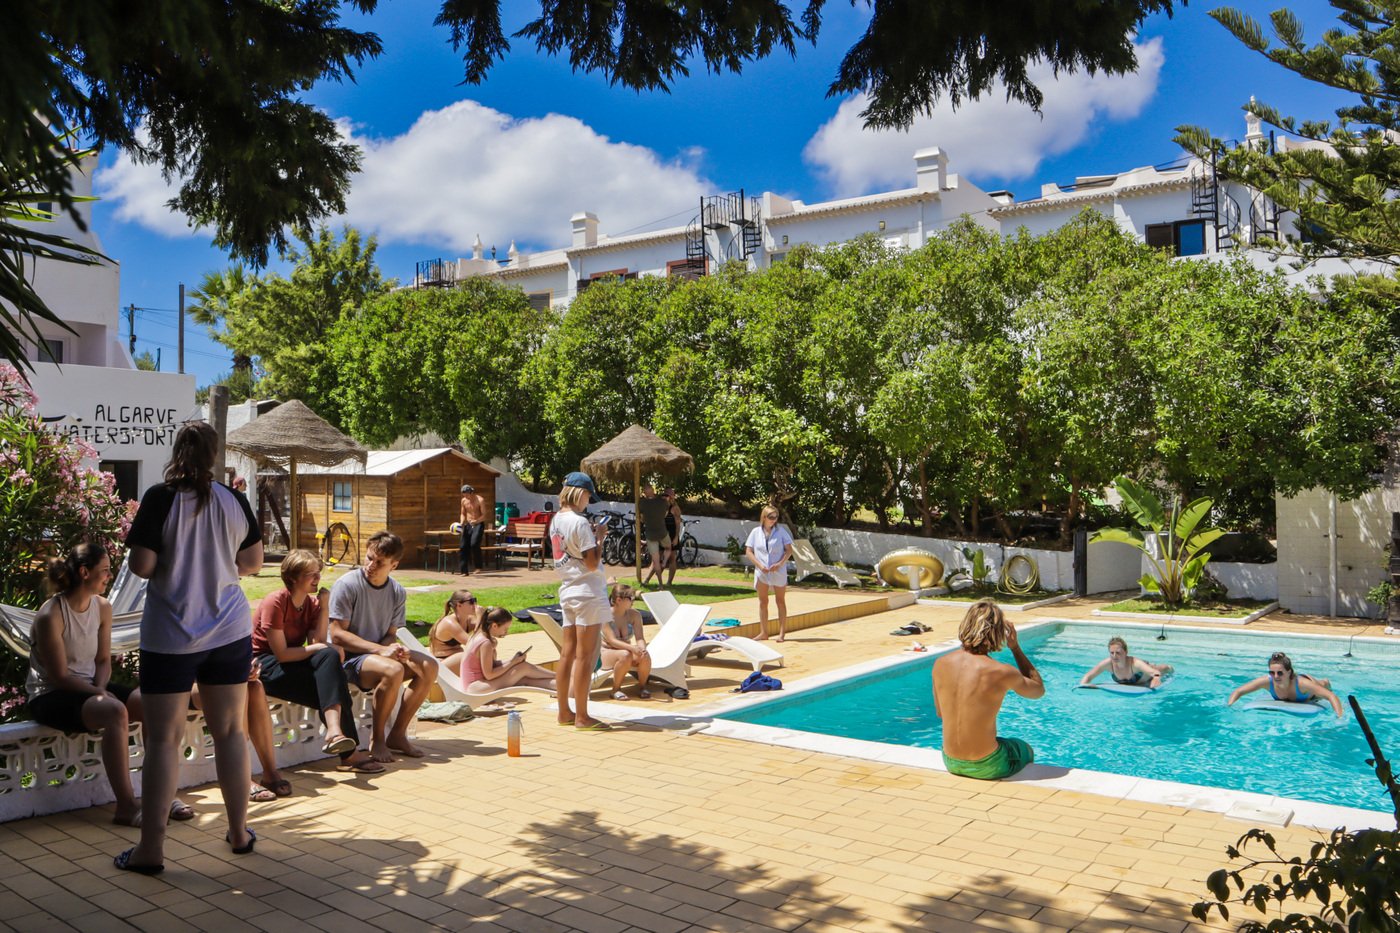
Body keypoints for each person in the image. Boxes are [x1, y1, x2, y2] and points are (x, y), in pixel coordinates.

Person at [118, 421, 263, 873]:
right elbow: (252, 563)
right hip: (228, 630)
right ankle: (238, 833)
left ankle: (151, 851)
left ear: (177, 451)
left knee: (163, 740)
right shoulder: (234, 499)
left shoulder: (160, 498)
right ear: (214, 456)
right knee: (231, 733)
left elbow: (142, 566)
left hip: (171, 634)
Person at [25, 544, 191, 827]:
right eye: (104, 570)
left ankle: (162, 795)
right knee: (115, 712)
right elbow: (59, 676)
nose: (109, 576)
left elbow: (103, 660)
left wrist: (100, 688)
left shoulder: (102, 607)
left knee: (151, 704)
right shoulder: (50, 615)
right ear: (84, 572)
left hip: (90, 687)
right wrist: (99, 693)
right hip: (52, 695)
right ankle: (126, 806)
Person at [254, 550, 385, 775]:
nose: (318, 578)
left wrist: (324, 607)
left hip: (290, 663)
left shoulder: (311, 604)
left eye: (318, 572)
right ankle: (348, 753)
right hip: (265, 666)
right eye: (311, 574)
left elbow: (318, 642)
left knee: (330, 665)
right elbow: (282, 654)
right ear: (293, 577)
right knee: (333, 685)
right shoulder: (275, 602)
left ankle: (336, 733)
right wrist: (321, 648)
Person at [329, 531, 437, 761]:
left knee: (429, 666)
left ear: (393, 565)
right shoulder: (347, 584)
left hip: (376, 656)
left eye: (379, 562)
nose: (371, 565)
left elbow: (389, 635)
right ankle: (377, 739)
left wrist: (394, 649)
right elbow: (337, 634)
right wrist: (381, 650)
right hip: (347, 659)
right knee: (393, 670)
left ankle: (397, 734)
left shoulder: (397, 591)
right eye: (369, 558)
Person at [932, 599, 1044, 780]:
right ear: (998, 632)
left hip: (950, 760)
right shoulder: (1001, 671)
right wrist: (1015, 648)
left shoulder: (940, 663)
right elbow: (1038, 691)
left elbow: (940, 713)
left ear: (966, 625)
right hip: (988, 765)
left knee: (999, 742)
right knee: (1024, 748)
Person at [550, 472, 612, 730]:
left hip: (568, 589)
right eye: (588, 496)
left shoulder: (555, 520)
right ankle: (582, 716)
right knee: (586, 657)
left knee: (567, 654)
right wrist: (600, 537)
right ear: (580, 493)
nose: (588, 501)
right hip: (588, 592)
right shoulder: (580, 522)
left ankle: (564, 711)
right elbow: (592, 563)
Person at [460, 606, 556, 692]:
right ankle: (558, 676)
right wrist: (513, 662)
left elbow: (491, 665)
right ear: (494, 626)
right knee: (523, 668)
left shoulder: (478, 635)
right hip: (476, 688)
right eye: (505, 629)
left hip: (476, 685)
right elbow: (489, 675)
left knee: (523, 677)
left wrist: (514, 660)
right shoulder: (485, 643)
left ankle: (557, 683)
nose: (507, 632)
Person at [1227, 652, 1343, 717]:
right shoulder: (1267, 681)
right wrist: (1230, 706)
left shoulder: (1302, 684)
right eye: (1272, 672)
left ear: (1289, 672)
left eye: (1280, 673)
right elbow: (1239, 691)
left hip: (1310, 691)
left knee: (1322, 687)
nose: (1275, 676)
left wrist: (1339, 718)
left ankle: (1325, 682)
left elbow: (1331, 696)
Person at [744, 506, 794, 641]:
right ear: (764, 517)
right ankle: (763, 632)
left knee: (780, 601)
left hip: (778, 571)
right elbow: (749, 551)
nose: (774, 520)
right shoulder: (755, 532)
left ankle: (782, 633)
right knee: (763, 602)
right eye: (771, 517)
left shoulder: (781, 531)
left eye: (776, 517)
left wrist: (780, 564)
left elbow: (789, 550)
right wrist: (759, 565)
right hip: (762, 572)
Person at [601, 584, 652, 700]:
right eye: (631, 598)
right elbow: (612, 641)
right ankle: (615, 689)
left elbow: (639, 638)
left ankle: (642, 687)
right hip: (606, 652)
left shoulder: (634, 615)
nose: (633, 601)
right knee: (625, 655)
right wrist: (632, 648)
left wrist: (642, 649)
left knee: (645, 656)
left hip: (626, 651)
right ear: (619, 600)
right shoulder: (605, 616)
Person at [1080, 636, 1173, 689]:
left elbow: (1155, 673)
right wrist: (1083, 685)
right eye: (1112, 653)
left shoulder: (1135, 663)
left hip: (1147, 672)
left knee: (1163, 668)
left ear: (1126, 652)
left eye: (1118, 653)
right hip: (1137, 680)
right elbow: (1088, 676)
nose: (1114, 656)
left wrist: (1156, 679)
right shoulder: (1108, 664)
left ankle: (1169, 667)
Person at [430, 588, 485, 679]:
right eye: (471, 601)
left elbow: (486, 631)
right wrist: (480, 618)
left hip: (454, 661)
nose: (475, 604)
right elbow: (473, 644)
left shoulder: (468, 619)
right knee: (467, 656)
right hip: (441, 664)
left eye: (475, 600)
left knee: (487, 652)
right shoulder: (449, 623)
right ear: (459, 605)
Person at [637, 484, 672, 588]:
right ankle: (664, 562)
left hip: (650, 533)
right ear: (653, 490)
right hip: (662, 531)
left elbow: (642, 519)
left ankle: (660, 584)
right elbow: (665, 514)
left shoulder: (642, 503)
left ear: (644, 492)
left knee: (655, 561)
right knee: (669, 547)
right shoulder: (663, 502)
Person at [458, 484, 487, 575]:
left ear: (471, 492)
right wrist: (461, 522)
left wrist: (476, 521)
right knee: (463, 546)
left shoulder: (480, 500)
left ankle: (478, 567)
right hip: (468, 524)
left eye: (467, 494)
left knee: (474, 544)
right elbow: (462, 513)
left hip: (478, 524)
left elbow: (484, 515)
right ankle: (464, 571)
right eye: (464, 495)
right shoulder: (463, 501)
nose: (466, 496)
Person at [662, 488, 684, 587]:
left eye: (669, 495)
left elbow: (678, 525)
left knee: (672, 558)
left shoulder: (675, 508)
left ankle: (669, 582)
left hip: (672, 534)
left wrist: (675, 537)